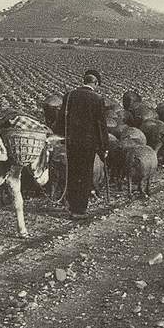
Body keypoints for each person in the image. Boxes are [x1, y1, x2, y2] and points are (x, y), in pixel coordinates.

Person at [54, 69, 109, 219]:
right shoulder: (97, 99)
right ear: (95, 83)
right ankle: (79, 210)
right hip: (88, 144)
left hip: (71, 142)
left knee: (72, 172)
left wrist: (59, 135)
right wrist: (104, 147)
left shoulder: (70, 95)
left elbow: (61, 119)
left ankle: (71, 207)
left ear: (84, 81)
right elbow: (101, 125)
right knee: (85, 175)